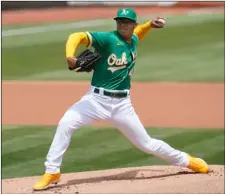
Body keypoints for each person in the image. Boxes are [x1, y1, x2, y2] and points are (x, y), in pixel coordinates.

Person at [33, 8, 209, 191]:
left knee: (146, 144)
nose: (123, 24)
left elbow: (138, 35)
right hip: (94, 101)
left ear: (134, 24)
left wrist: (149, 25)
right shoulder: (107, 39)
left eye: (127, 22)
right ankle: (52, 171)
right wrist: (70, 56)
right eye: (120, 21)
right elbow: (76, 36)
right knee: (66, 123)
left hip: (122, 105)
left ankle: (187, 161)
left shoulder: (132, 39)